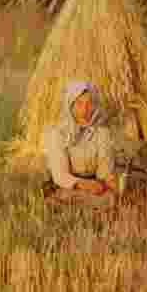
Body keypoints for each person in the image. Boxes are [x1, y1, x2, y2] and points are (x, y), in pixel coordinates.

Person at [43, 80, 118, 209]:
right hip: (67, 185)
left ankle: (87, 206)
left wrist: (107, 180)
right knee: (65, 196)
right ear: (70, 105)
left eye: (90, 104)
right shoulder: (58, 133)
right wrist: (83, 184)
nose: (85, 109)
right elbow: (60, 175)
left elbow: (104, 170)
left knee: (111, 198)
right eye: (79, 104)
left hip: (94, 185)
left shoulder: (102, 132)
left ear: (95, 105)